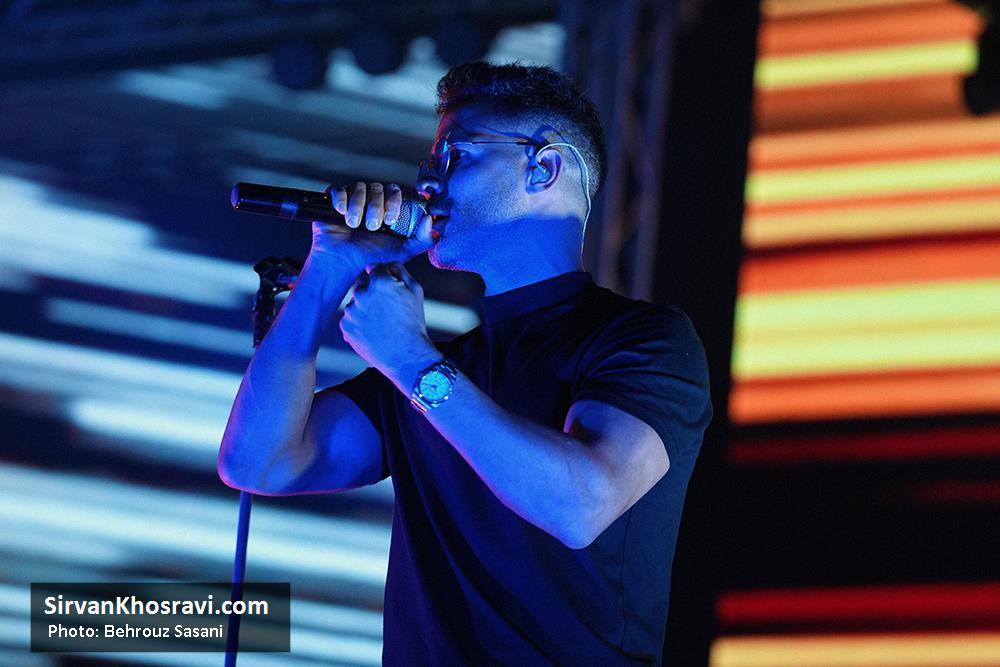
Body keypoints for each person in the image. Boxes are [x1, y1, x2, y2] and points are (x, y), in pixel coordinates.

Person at [218, 62, 712, 666]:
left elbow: (581, 505)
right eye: (430, 163)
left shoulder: (646, 340)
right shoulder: (437, 368)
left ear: (543, 168)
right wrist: (329, 268)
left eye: (456, 155)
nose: (427, 182)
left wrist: (410, 360)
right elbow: (257, 462)